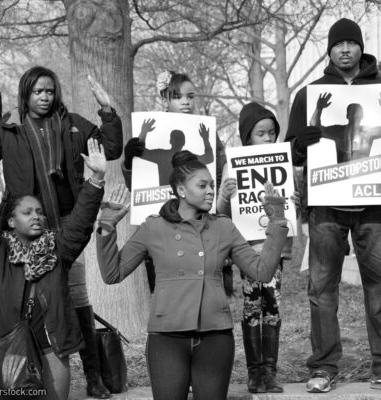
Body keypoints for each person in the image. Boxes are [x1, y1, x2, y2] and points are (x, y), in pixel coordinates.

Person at [95, 150, 288, 400]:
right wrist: (107, 226)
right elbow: (112, 273)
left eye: (212, 185)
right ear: (181, 190)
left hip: (215, 337)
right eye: (202, 185)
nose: (210, 191)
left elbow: (262, 272)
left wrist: (277, 221)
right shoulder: (153, 228)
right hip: (167, 338)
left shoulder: (223, 227)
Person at [0, 66, 123, 398]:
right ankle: (17, 364)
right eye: (37, 91)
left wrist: (106, 110)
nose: (44, 97)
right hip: (21, 231)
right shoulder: (10, 128)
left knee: (74, 298)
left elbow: (111, 149)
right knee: (24, 300)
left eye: (49, 91)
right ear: (25, 94)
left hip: (64, 227)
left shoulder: (72, 125)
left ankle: (92, 374)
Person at [285, 18, 381, 392]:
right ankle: (323, 367)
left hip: (374, 207)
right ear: (329, 50)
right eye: (338, 43)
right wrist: (304, 136)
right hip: (325, 206)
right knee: (322, 288)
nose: (345, 49)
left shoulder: (378, 88)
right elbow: (291, 149)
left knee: (379, 285)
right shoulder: (311, 94)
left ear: (361, 48)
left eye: (351, 43)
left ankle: (380, 365)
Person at [0, 139, 107, 400]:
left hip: (52, 349)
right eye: (27, 212)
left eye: (39, 212)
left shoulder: (58, 248)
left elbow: (81, 222)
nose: (37, 216)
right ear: (11, 221)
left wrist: (96, 178)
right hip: (6, 351)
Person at [121, 70, 229, 294]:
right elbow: (137, 183)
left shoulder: (208, 134)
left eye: (190, 96)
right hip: (163, 222)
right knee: (167, 288)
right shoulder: (157, 149)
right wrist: (131, 156)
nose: (186, 102)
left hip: (198, 224)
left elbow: (217, 169)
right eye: (178, 97)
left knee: (201, 284)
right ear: (166, 99)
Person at [217, 102, 291, 394]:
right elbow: (222, 211)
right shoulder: (231, 166)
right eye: (261, 133)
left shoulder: (279, 163)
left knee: (272, 307)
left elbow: (289, 210)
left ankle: (270, 372)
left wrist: (291, 206)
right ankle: (254, 373)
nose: (268, 139)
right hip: (246, 249)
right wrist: (225, 196)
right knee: (251, 309)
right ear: (247, 136)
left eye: (272, 133)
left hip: (274, 249)